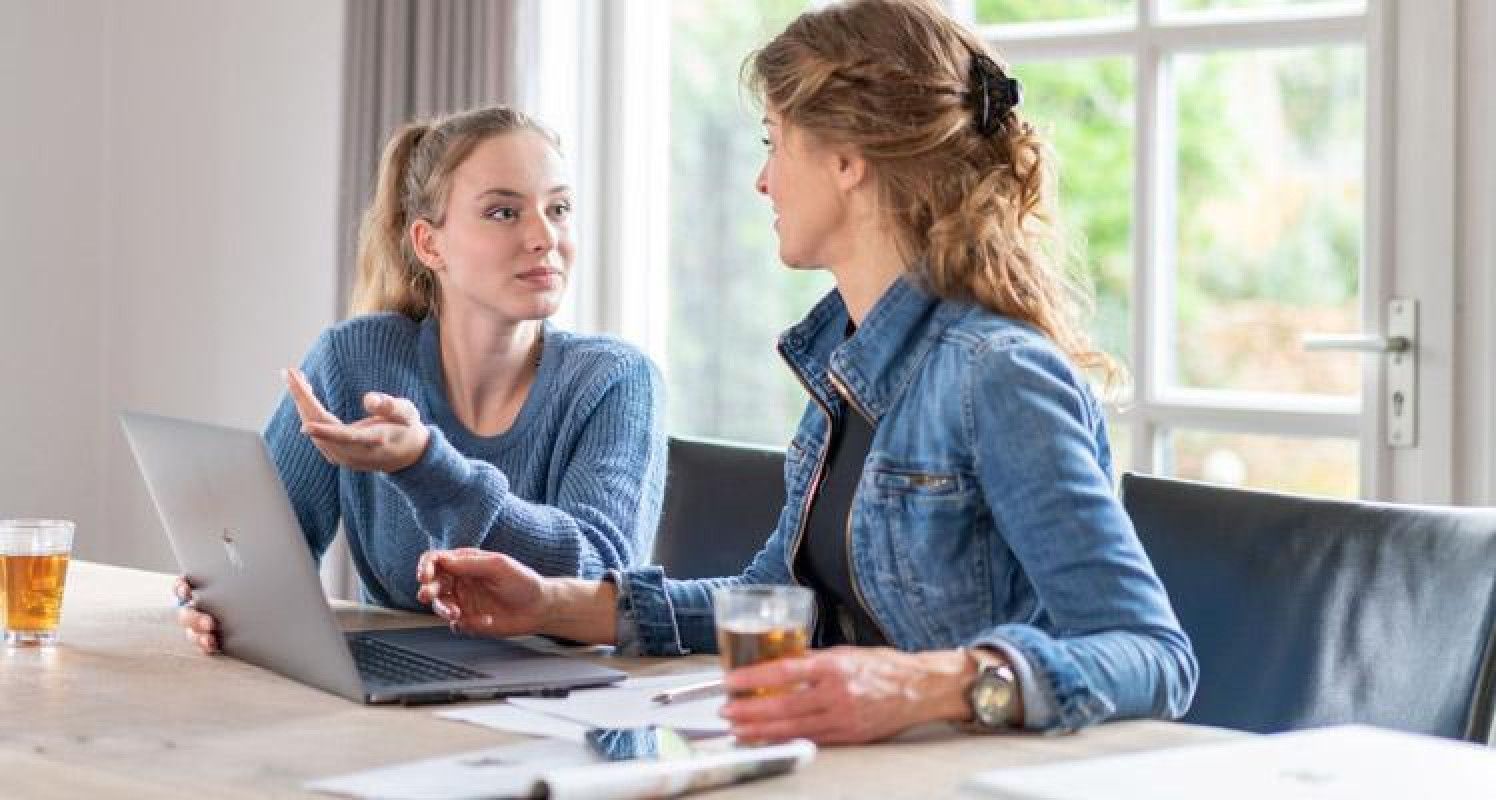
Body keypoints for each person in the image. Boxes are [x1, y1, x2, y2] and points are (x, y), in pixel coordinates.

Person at [416, 0, 1197, 744]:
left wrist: (925, 686)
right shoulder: (846, 366)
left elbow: (1153, 655)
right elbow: (782, 607)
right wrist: (553, 603)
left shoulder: (997, 375)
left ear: (848, 160)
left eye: (774, 142)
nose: (763, 182)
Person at [176, 106, 667, 654]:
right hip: (399, 699)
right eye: (505, 212)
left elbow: (601, 574)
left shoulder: (616, 381)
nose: (543, 236)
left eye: (559, 208)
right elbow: (255, 550)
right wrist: (218, 600)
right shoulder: (356, 359)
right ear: (429, 244)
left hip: (574, 711)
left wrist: (426, 467)